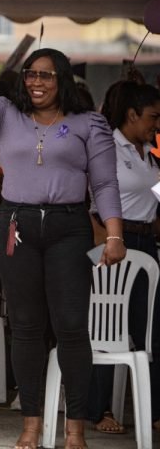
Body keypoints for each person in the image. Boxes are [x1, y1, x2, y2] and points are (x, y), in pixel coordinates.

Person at [0, 22, 125, 449]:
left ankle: (75, 429)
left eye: (46, 74)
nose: (36, 81)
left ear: (62, 80)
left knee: (71, 327)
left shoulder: (89, 123)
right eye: (31, 74)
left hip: (69, 226)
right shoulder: (4, 114)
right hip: (16, 225)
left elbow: (105, 184)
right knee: (27, 326)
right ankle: (31, 424)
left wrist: (112, 235)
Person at [88, 81, 160, 434]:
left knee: (151, 327)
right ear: (131, 114)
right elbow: (91, 198)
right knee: (106, 325)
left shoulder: (149, 152)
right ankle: (98, 410)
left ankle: (155, 409)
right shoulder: (107, 147)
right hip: (113, 240)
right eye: (152, 117)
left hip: (147, 244)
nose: (156, 124)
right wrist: (105, 239)